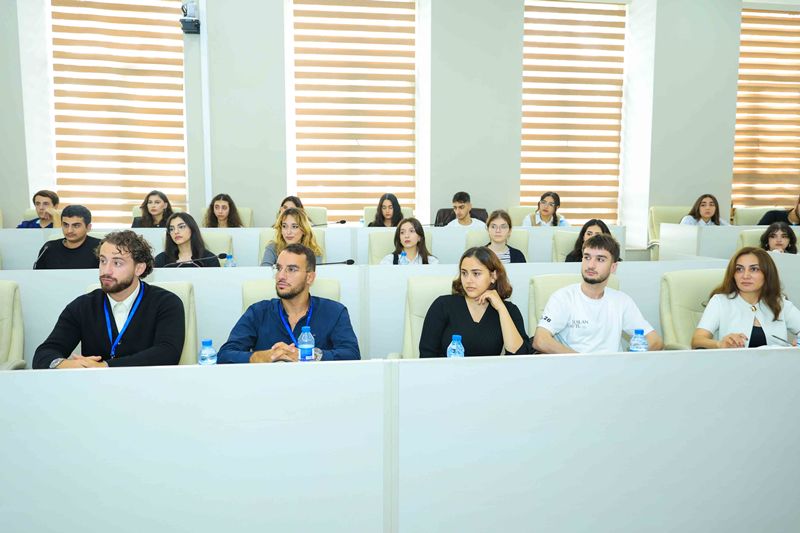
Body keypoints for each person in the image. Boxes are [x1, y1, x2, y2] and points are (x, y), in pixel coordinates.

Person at [32, 230, 186, 369]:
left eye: (117, 263)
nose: (106, 270)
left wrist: (106, 366)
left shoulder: (166, 303)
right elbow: (44, 354)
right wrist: (67, 364)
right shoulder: (83, 306)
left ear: (139, 268)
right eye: (103, 261)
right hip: (94, 388)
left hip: (149, 387)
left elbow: (167, 353)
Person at [218, 244, 360, 363]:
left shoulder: (334, 311)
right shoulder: (258, 312)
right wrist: (262, 356)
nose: (280, 276)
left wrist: (308, 355)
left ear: (309, 277)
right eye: (279, 268)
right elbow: (225, 355)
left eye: (291, 269)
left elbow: (352, 354)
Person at [533, 234, 663, 354]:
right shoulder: (563, 298)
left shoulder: (622, 301)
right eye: (587, 257)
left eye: (600, 259)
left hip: (613, 369)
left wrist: (628, 360)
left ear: (613, 267)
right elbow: (541, 340)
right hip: (575, 368)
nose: (591, 265)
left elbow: (655, 341)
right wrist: (585, 363)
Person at [419, 247, 530, 357]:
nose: (468, 280)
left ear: (493, 276)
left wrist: (501, 308)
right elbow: (426, 355)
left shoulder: (508, 310)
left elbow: (519, 355)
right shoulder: (443, 305)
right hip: (446, 368)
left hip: (488, 369)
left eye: (476, 274)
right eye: (464, 273)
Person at [692, 247, 800, 349]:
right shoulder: (720, 301)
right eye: (739, 269)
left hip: (778, 362)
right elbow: (697, 341)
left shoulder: (780, 303)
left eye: (754, 269)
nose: (745, 276)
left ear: (767, 273)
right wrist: (720, 344)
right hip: (733, 362)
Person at [34, 205, 101, 270]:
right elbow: (37, 275)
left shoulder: (100, 247)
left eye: (76, 226)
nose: (69, 230)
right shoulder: (48, 248)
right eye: (66, 225)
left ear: (88, 227)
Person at [154, 213, 220, 268]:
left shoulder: (209, 259)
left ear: (192, 229)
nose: (176, 232)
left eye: (181, 227)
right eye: (171, 229)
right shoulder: (161, 260)